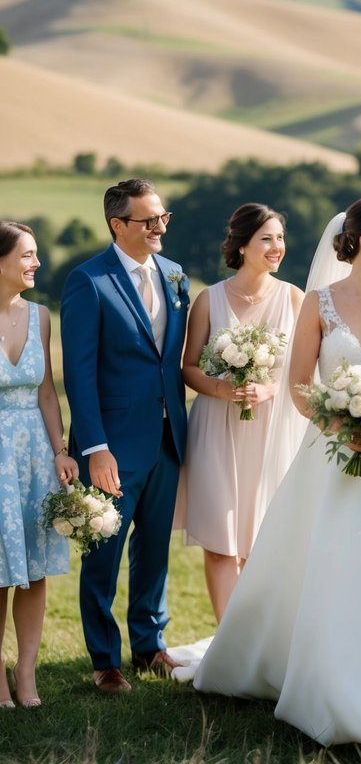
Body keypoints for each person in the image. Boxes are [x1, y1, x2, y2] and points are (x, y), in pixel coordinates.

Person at [193, 197, 361, 762]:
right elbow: (297, 386)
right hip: (330, 455)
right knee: (331, 563)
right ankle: (324, 685)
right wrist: (340, 420)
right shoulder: (318, 302)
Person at [60, 178, 189, 694]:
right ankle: (104, 659)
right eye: (148, 220)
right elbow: (80, 373)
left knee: (154, 550)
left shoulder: (176, 275)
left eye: (163, 217)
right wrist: (94, 448)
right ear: (118, 225)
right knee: (104, 553)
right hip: (110, 444)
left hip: (167, 438)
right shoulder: (87, 281)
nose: (159, 227)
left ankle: (149, 645)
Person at [176, 204, 303, 622]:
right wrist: (223, 389)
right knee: (221, 539)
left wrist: (268, 387)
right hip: (216, 428)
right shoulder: (209, 299)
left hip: (271, 433)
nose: (276, 247)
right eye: (267, 238)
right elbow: (189, 367)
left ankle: (252, 644)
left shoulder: (294, 298)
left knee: (261, 542)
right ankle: (225, 643)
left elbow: (304, 371)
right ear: (243, 244)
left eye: (280, 238)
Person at [0, 221, 79, 709]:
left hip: (33, 456)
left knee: (33, 569)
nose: (36, 263)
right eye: (27, 255)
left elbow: (48, 391)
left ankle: (25, 674)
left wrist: (60, 451)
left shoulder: (41, 316)